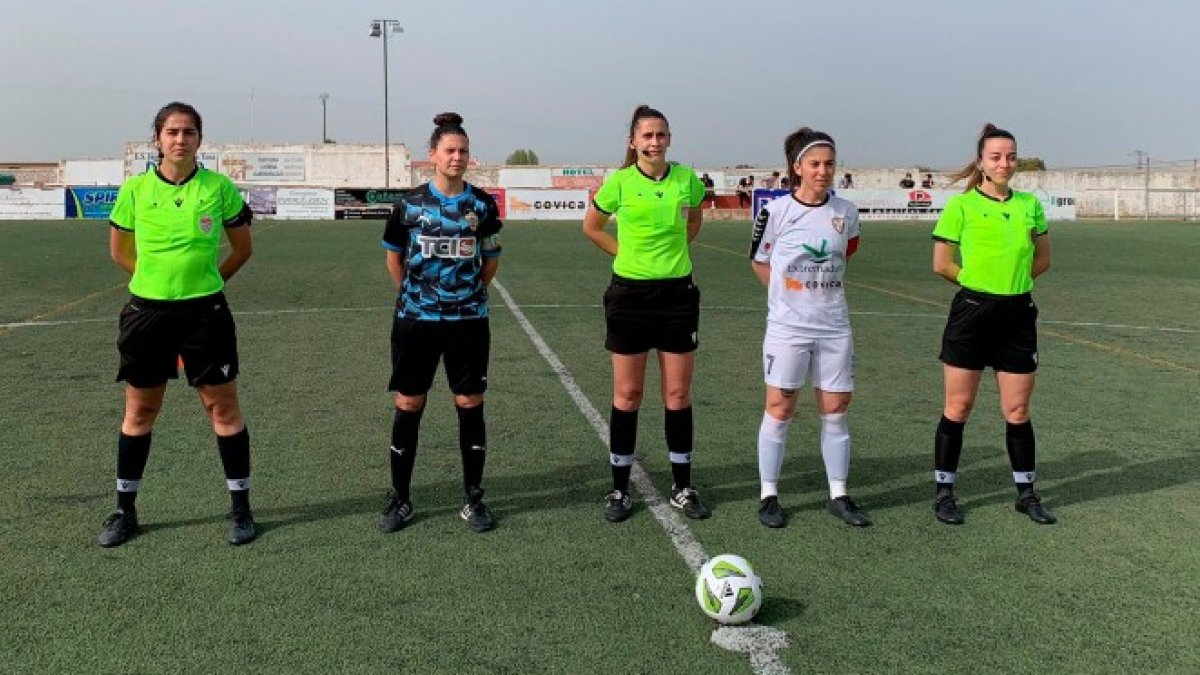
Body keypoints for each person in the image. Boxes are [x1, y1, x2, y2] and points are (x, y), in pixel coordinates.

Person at [98, 102, 256, 547]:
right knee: (140, 412)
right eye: (172, 132)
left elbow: (242, 249)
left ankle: (241, 509)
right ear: (158, 139)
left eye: (188, 132)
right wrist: (154, 284)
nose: (180, 140)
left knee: (222, 409)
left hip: (205, 315)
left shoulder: (219, 188)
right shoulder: (135, 190)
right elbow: (119, 252)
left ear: (199, 139)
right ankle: (124, 511)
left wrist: (206, 285)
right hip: (147, 315)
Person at [582, 104, 710, 523]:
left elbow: (695, 221)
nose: (654, 142)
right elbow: (592, 227)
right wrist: (627, 255)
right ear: (633, 142)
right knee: (628, 395)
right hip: (629, 297)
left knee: (677, 395)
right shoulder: (619, 182)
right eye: (647, 136)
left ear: (669, 139)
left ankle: (682, 487)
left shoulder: (687, 180)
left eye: (661, 135)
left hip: (677, 297)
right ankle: (619, 489)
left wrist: (674, 254)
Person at [379, 112, 503, 534]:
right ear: (432, 154)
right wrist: (416, 296)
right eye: (449, 150)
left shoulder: (482, 205)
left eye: (463, 151)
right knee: (409, 403)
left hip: (468, 321)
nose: (457, 157)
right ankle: (400, 498)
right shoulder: (409, 205)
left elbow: (491, 260)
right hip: (416, 320)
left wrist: (466, 296)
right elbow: (394, 258)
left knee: (469, 403)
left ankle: (473, 498)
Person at [930, 123, 1054, 526]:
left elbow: (1043, 259)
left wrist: (1011, 287)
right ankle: (944, 493)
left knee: (1017, 409)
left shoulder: (1029, 205)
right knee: (958, 406)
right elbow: (942, 264)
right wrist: (980, 286)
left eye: (1011, 156)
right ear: (981, 162)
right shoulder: (961, 207)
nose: (1005, 163)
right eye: (996, 156)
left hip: (1017, 315)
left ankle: (1026, 494)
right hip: (972, 314)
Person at [749, 127, 868, 529]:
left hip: (834, 326)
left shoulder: (846, 213)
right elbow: (759, 261)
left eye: (829, 163)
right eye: (814, 163)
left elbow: (847, 253)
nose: (823, 171)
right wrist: (787, 299)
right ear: (797, 167)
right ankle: (769, 495)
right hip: (788, 328)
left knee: (835, 408)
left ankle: (839, 493)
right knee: (780, 407)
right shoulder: (776, 212)